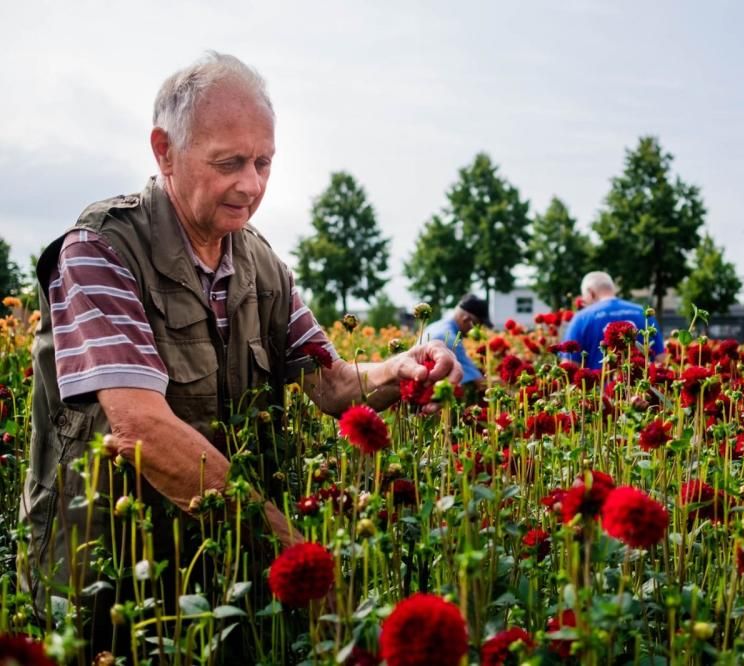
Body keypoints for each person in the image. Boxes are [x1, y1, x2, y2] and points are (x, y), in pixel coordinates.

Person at [20, 52, 460, 654]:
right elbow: (141, 426)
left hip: (221, 586)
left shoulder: (259, 262)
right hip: (110, 585)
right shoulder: (100, 250)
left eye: (264, 162)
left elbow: (329, 381)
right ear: (164, 151)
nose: (251, 185)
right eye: (229, 163)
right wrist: (286, 548)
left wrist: (400, 366)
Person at [560, 271, 664, 369]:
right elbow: (660, 359)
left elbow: (569, 366)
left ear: (591, 293)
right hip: (640, 386)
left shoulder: (581, 318)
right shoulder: (642, 312)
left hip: (599, 386)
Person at [421, 293, 490, 390]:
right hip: (431, 394)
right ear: (466, 319)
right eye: (477, 325)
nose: (479, 330)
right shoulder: (451, 339)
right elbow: (479, 382)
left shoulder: (435, 326)